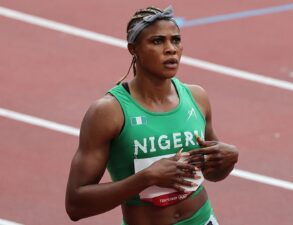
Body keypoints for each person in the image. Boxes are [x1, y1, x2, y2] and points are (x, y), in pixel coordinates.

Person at [65, 5, 239, 225]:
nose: (170, 49)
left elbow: (213, 174)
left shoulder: (197, 97)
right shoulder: (109, 112)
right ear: (133, 49)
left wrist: (228, 160)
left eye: (175, 40)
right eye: (157, 41)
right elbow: (75, 205)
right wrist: (146, 178)